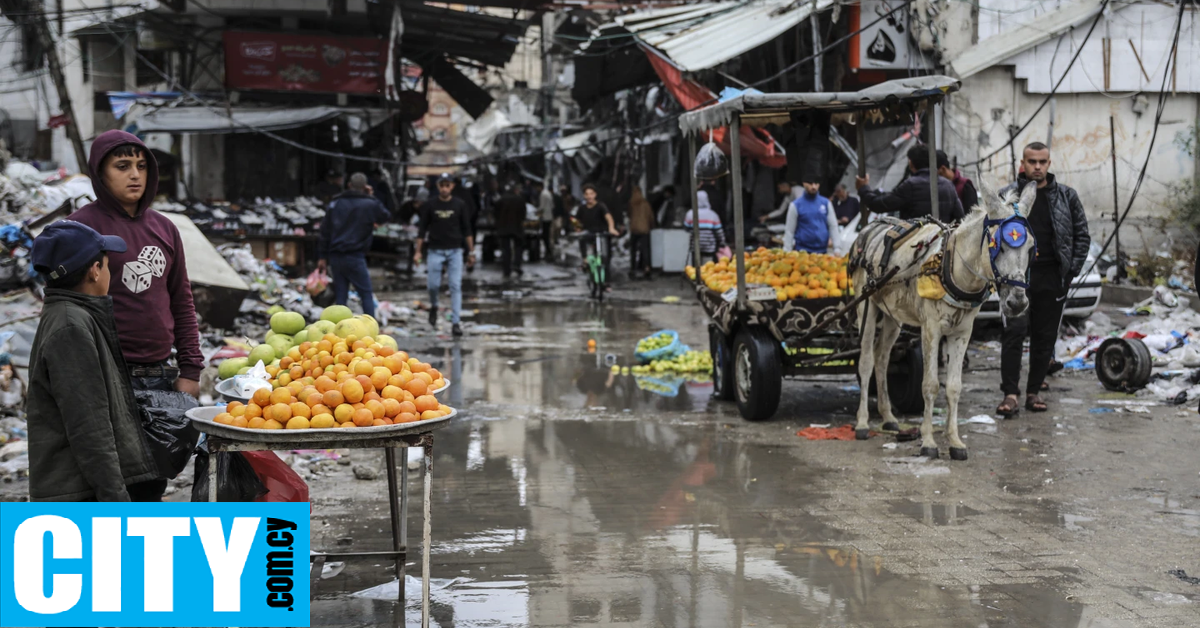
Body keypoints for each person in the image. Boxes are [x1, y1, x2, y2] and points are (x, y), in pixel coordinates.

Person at [26, 220, 159, 501]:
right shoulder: (70, 327)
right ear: (95, 270)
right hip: (77, 494)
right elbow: (89, 426)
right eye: (107, 265)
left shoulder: (71, 316)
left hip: (81, 488)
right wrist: (116, 500)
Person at [72, 130, 203, 403]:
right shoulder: (78, 230)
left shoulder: (165, 228)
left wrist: (190, 371)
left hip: (160, 375)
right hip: (102, 376)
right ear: (100, 173)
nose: (135, 175)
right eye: (122, 167)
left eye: (141, 166)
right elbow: (66, 310)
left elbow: (181, 300)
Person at [996, 142, 1090, 416]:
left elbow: (1082, 235)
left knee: (1044, 337)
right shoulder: (1008, 196)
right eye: (1032, 161)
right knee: (1013, 334)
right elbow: (992, 238)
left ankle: (1033, 392)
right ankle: (1010, 394)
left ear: (1049, 164)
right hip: (1017, 279)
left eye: (1042, 161)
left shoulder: (1066, 196)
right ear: (1022, 163)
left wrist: (1069, 272)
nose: (1037, 166)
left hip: (1052, 277)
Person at [316, 173, 390, 318]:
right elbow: (385, 216)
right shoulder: (370, 204)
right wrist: (372, 196)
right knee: (365, 294)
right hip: (355, 256)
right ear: (365, 187)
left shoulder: (335, 203)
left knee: (341, 296)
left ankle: (339, 330)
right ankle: (371, 327)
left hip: (336, 256)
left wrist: (322, 256)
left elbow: (324, 231)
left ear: (349, 185)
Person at [416, 173, 474, 336]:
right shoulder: (430, 205)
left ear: (452, 187)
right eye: (442, 185)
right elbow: (422, 230)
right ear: (438, 187)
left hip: (455, 251)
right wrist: (417, 252)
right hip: (435, 250)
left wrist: (472, 252)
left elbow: (467, 230)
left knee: (455, 286)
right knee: (433, 285)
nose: (444, 188)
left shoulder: (460, 205)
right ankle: (434, 306)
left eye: (447, 185)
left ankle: (456, 322)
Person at [855, 144, 964, 223]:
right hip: (941, 246)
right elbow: (960, 217)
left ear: (911, 164)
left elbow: (879, 205)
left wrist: (863, 188)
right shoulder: (948, 185)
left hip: (915, 247)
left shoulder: (910, 185)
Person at [576, 183, 620, 280]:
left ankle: (606, 282)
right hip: (589, 233)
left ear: (595, 194)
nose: (589, 196)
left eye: (591, 194)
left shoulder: (601, 206)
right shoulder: (581, 208)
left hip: (601, 234)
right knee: (582, 239)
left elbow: (609, 217)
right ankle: (585, 261)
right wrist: (578, 228)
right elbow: (577, 221)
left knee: (605, 257)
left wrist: (611, 228)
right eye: (587, 194)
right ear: (584, 196)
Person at [783, 180, 838, 253]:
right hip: (802, 252)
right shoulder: (796, 205)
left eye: (816, 183)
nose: (813, 186)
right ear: (804, 183)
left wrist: (837, 248)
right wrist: (787, 251)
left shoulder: (826, 203)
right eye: (810, 184)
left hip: (822, 252)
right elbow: (789, 230)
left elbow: (833, 226)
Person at [683, 190, 728, 265]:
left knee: (695, 268)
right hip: (709, 247)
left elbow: (686, 228)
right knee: (707, 268)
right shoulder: (713, 214)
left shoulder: (690, 214)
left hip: (695, 246)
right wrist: (722, 243)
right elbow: (719, 232)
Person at [494, 182, 526, 278]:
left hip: (503, 228)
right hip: (516, 227)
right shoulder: (519, 199)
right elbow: (523, 214)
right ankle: (516, 264)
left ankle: (506, 269)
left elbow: (496, 213)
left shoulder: (501, 200)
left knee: (505, 249)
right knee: (518, 247)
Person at [628, 185, 655, 278]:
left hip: (634, 229)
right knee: (645, 250)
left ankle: (632, 269)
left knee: (633, 250)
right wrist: (652, 225)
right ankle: (647, 267)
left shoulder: (631, 204)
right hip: (644, 229)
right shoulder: (645, 204)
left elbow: (629, 215)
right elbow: (650, 216)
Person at [537, 181, 555, 258]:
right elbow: (552, 206)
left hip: (545, 217)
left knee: (545, 235)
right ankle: (548, 250)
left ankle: (548, 250)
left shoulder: (543, 194)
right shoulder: (548, 193)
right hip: (549, 216)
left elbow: (542, 207)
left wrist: (536, 214)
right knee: (547, 235)